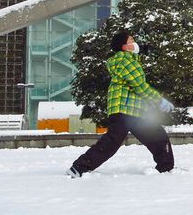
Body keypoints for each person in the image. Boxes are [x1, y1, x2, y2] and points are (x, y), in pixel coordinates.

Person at [67, 31, 175, 177]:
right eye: (132, 40)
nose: (135, 42)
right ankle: (79, 168)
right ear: (125, 47)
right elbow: (140, 86)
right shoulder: (126, 62)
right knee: (113, 141)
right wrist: (159, 100)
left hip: (132, 110)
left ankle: (166, 168)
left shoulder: (126, 61)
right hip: (125, 110)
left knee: (156, 135)